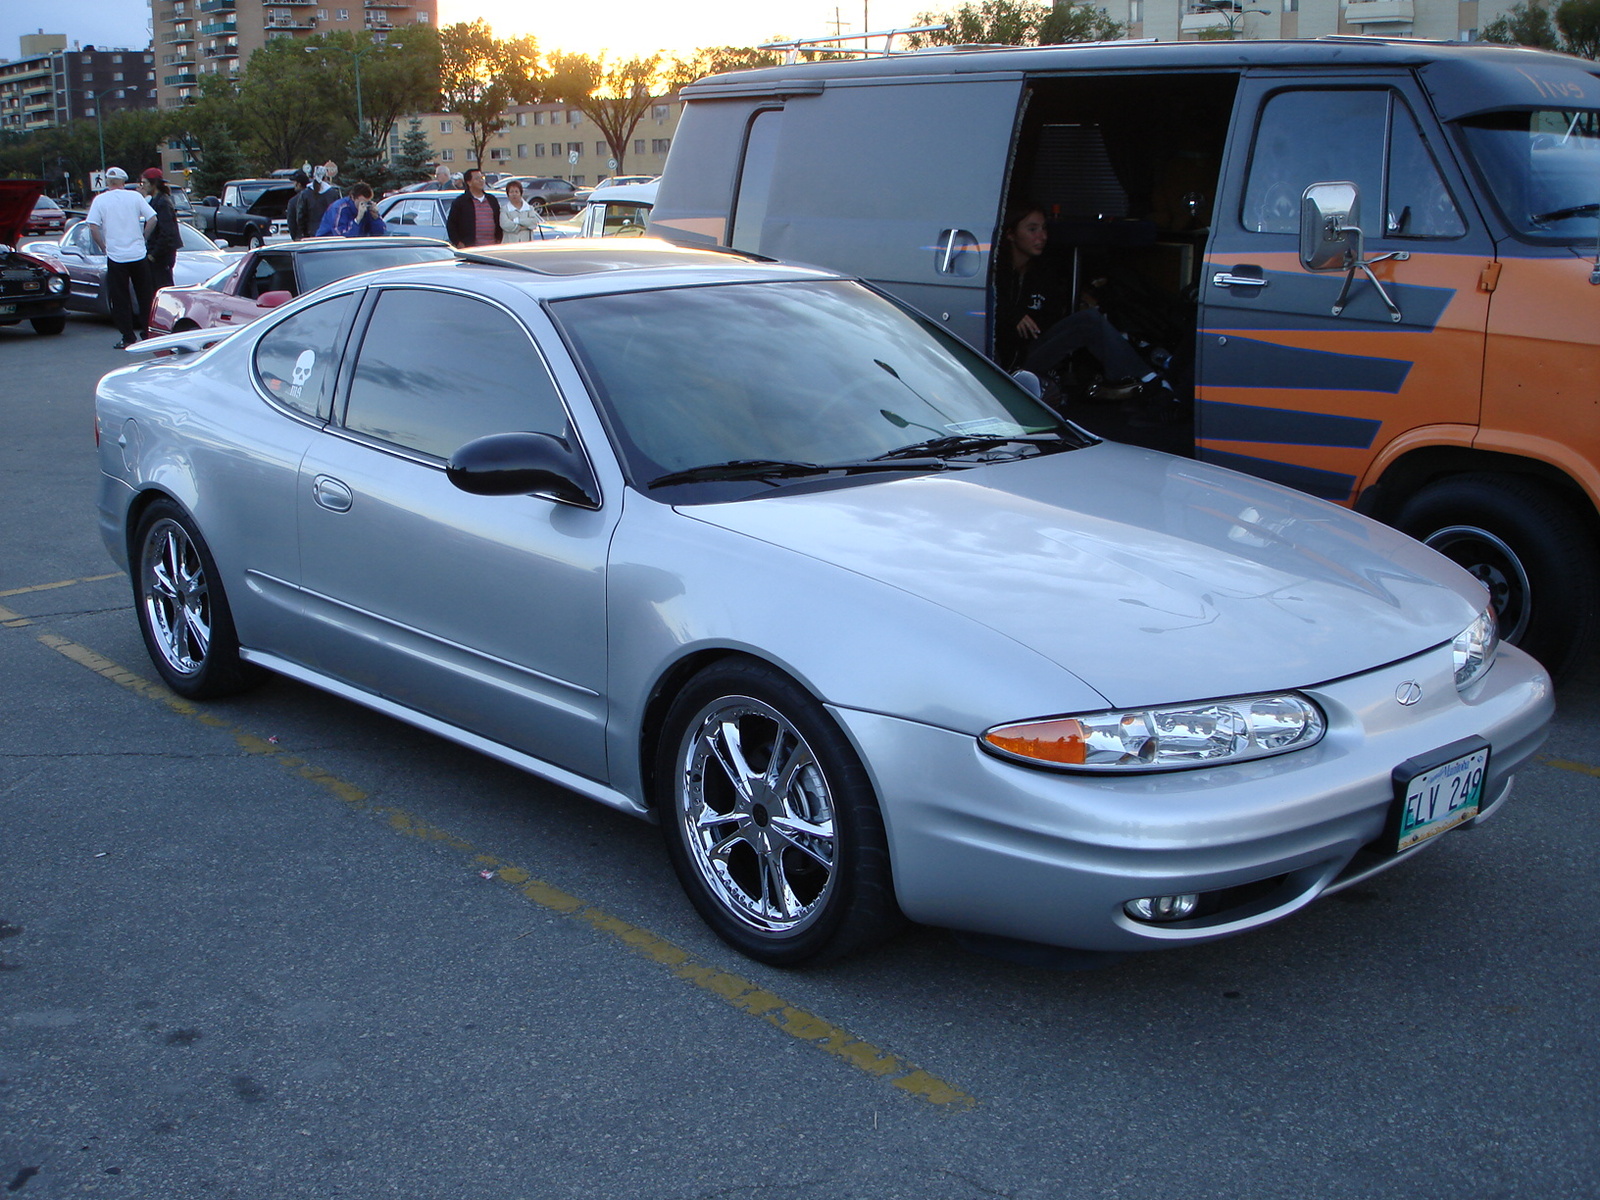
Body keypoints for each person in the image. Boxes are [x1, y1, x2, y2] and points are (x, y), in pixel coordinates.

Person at [994, 203, 1166, 404]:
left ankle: (1147, 381)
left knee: (1089, 320)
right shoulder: (994, 271)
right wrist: (1013, 315)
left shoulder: (1043, 272)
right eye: (1032, 230)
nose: (1042, 236)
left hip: (1031, 354)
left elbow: (1051, 318)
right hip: (1000, 362)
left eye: (1044, 229)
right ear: (1010, 235)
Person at [87, 166, 157, 349]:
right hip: (138, 253)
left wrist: (104, 247)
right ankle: (147, 332)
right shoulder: (135, 197)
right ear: (124, 181)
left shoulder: (100, 200)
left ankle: (127, 336)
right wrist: (143, 238)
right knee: (145, 295)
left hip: (116, 256)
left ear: (109, 182)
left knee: (120, 298)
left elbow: (93, 226)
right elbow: (153, 219)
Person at [139, 168, 183, 293]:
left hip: (162, 257)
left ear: (154, 184)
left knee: (163, 291)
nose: (143, 186)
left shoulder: (163, 203)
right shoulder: (155, 201)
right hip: (157, 256)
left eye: (145, 183)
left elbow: (167, 233)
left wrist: (153, 255)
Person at [446, 168, 501, 249]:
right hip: (470, 247)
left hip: (491, 246)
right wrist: (458, 243)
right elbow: (451, 224)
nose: (481, 181)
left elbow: (499, 220)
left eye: (482, 178)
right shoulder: (461, 202)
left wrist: (499, 238)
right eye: (477, 179)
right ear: (469, 182)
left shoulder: (491, 200)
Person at [316, 181, 387, 237]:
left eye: (367, 202)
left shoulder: (368, 208)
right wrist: (357, 219)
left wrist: (375, 218)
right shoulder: (339, 208)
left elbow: (379, 233)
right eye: (361, 203)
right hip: (328, 245)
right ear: (353, 197)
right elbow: (341, 236)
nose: (364, 206)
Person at [292, 161, 340, 240]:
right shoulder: (333, 193)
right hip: (330, 233)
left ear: (314, 176)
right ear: (326, 177)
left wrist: (303, 232)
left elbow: (300, 216)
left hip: (311, 233)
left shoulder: (305, 194)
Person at [284, 169, 311, 239]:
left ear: (299, 184)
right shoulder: (315, 197)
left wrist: (295, 237)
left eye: (295, 183)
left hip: (301, 237)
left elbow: (291, 223)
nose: (294, 185)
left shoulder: (293, 201)